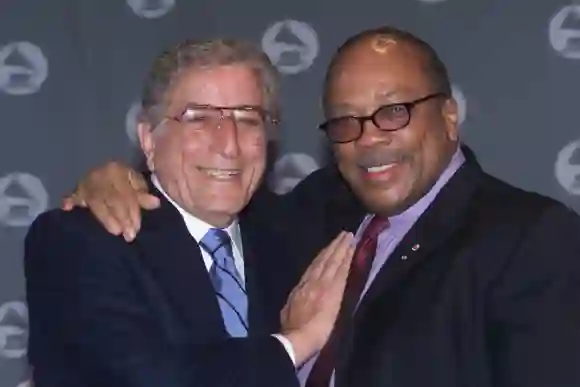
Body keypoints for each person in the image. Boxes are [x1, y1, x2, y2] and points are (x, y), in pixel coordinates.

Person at [62, 27, 580, 387]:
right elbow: (200, 199)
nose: (370, 140)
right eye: (346, 121)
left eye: (394, 112)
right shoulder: (316, 211)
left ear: (448, 116)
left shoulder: (530, 238)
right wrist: (121, 180)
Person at [24, 38, 355, 387]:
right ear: (149, 139)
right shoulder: (79, 241)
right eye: (198, 118)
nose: (228, 145)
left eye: (248, 119)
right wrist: (297, 341)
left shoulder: (297, 231)